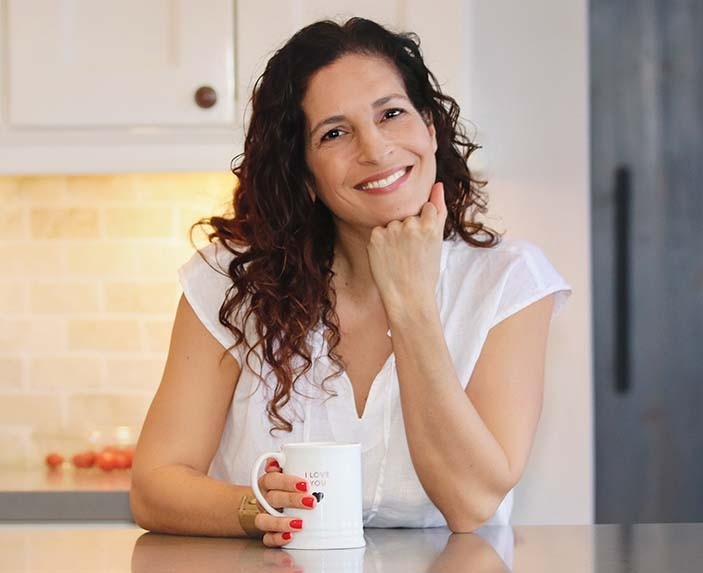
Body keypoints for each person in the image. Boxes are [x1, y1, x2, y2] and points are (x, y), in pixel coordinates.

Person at [129, 17, 571, 548]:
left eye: (391, 114)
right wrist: (261, 509)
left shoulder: (509, 282)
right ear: (305, 174)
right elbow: (155, 486)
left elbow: (471, 503)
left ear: (429, 128)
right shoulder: (229, 282)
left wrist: (410, 302)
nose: (375, 149)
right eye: (334, 133)